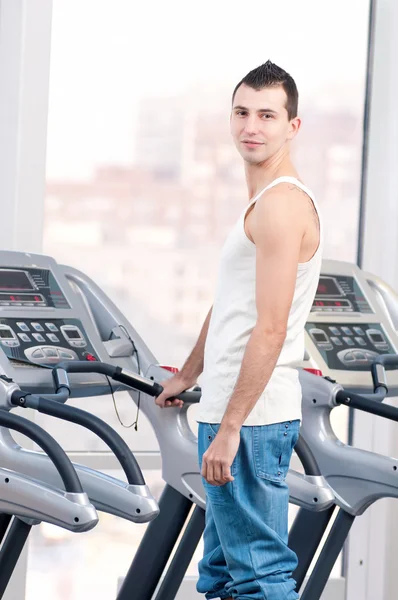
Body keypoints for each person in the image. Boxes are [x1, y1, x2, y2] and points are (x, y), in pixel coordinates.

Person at [155, 60, 323, 600]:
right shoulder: (259, 203)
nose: (252, 126)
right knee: (225, 578)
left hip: (248, 421)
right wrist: (187, 373)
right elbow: (232, 304)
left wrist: (230, 429)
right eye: (242, 112)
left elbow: (271, 329)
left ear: (292, 126)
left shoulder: (280, 206)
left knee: (259, 578)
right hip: (234, 410)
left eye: (267, 115)